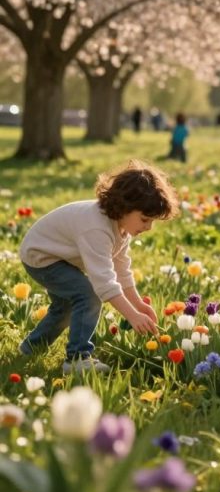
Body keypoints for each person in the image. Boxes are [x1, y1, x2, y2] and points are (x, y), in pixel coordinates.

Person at [18, 160, 179, 374]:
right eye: (144, 219)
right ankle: (77, 358)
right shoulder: (96, 227)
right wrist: (131, 315)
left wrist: (138, 304)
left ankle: (30, 348)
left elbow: (121, 269)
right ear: (125, 207)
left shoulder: (121, 227)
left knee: (65, 307)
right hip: (41, 256)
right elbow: (103, 282)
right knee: (88, 295)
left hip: (58, 256)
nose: (148, 227)